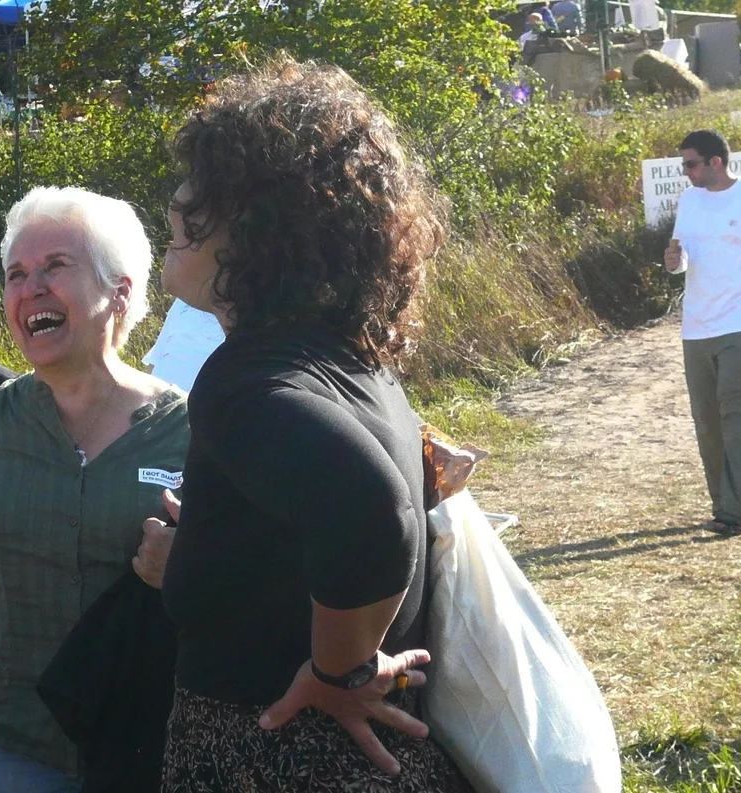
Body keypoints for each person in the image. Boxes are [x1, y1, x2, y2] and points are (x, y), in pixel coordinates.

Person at [155, 59, 470, 791]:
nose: (175, 202)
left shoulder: (246, 380)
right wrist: (199, 549)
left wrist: (339, 670)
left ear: (264, 224)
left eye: (202, 192)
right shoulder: (357, 364)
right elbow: (308, 541)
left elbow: (370, 509)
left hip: (283, 760)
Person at [0, 186, 189, 793]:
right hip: (8, 746)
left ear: (120, 291)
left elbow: (251, 570)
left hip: (149, 742)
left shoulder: (190, 431)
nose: (30, 290)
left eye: (56, 266)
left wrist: (193, 565)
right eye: (16, 274)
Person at [663, 128, 741, 535]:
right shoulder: (689, 200)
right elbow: (682, 260)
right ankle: (722, 506)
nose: (686, 172)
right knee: (707, 419)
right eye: (683, 165)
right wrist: (674, 261)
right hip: (696, 325)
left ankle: (740, 511)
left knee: (734, 409)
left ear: (716, 161)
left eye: (691, 163)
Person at [142, 298, 225, 391]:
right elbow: (155, 360)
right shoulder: (183, 302)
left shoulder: (239, 319)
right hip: (159, 398)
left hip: (202, 401)